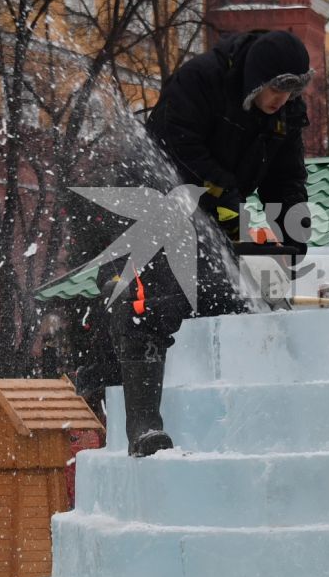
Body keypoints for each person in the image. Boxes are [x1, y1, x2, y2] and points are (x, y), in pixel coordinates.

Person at [112, 29, 313, 455]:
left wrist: (293, 236)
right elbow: (176, 149)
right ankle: (144, 426)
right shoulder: (199, 80)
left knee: (232, 300)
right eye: (277, 90)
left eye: (292, 92)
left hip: (215, 211)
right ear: (257, 82)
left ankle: (238, 425)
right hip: (154, 204)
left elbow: (286, 178)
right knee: (153, 303)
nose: (283, 100)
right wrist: (228, 197)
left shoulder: (286, 113)